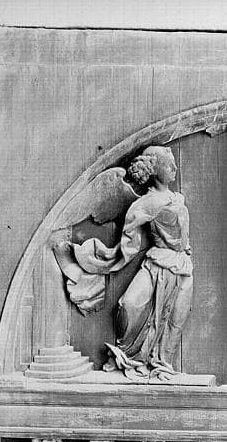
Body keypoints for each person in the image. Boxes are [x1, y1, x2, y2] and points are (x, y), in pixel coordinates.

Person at [58, 145, 193, 380]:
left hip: (182, 267)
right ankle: (129, 356)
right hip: (157, 263)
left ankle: (162, 364)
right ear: (153, 169)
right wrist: (106, 257)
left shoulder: (176, 198)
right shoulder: (144, 204)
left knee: (174, 321)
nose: (174, 168)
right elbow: (130, 239)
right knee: (128, 304)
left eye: (174, 163)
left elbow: (183, 237)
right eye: (168, 164)